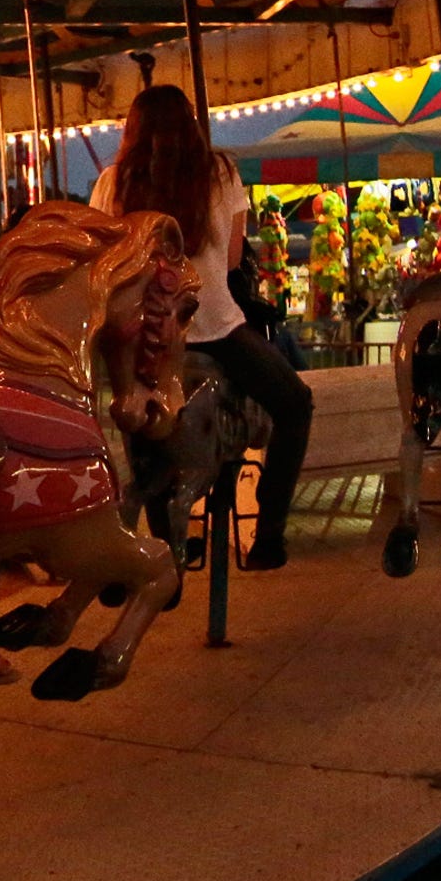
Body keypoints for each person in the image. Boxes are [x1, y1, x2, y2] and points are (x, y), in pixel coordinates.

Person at [91, 84, 314, 571]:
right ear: (190, 126)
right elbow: (234, 259)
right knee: (295, 404)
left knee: (141, 425)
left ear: (133, 131)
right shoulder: (220, 172)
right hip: (213, 324)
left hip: (145, 337)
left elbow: (103, 261)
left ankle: (158, 549)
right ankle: (269, 537)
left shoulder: (113, 181)